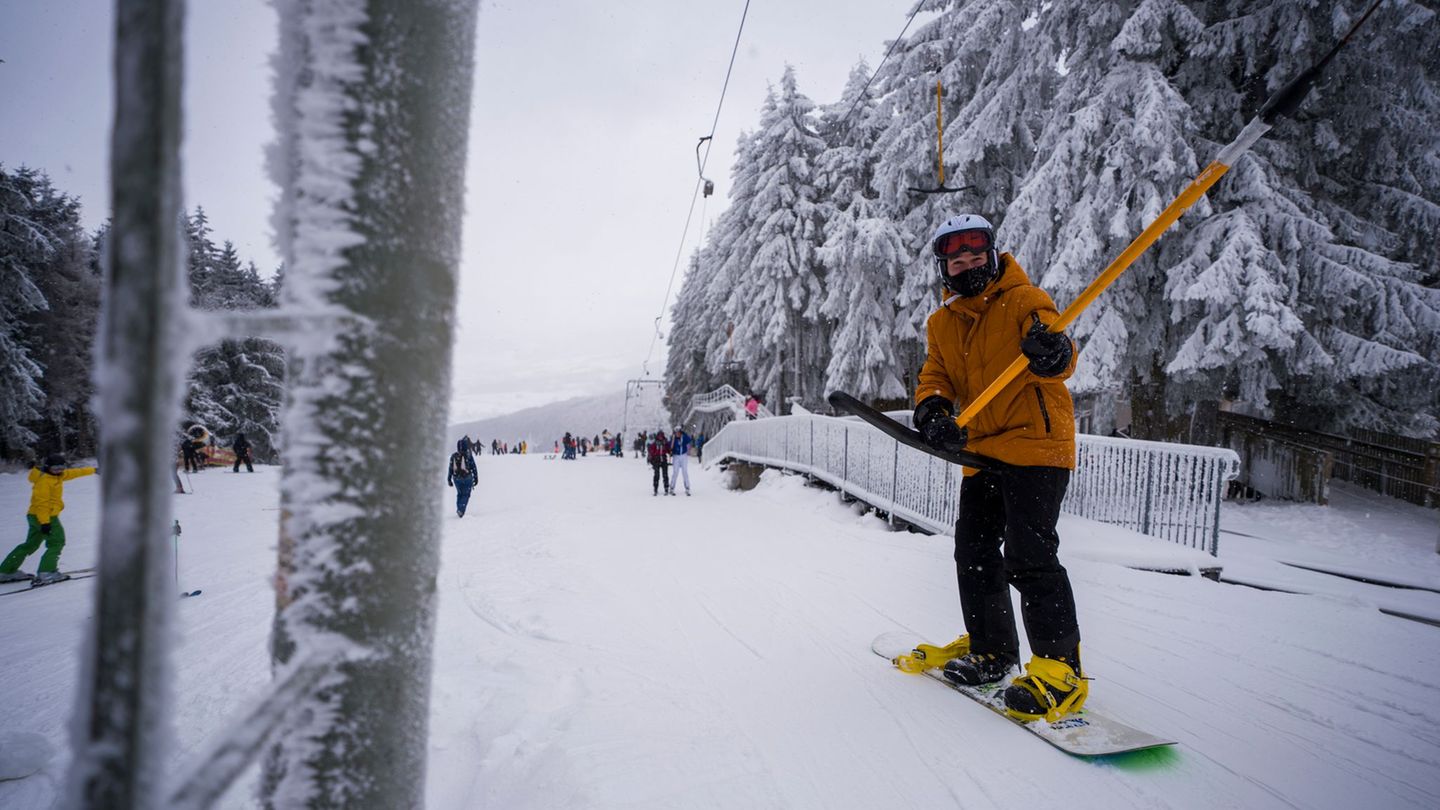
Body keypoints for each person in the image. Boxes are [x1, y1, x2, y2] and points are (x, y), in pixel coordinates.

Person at [910, 212, 1084, 723]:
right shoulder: (942, 322)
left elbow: (1060, 353)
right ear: (944, 268)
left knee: (1030, 556)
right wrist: (934, 411)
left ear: (991, 255)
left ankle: (1060, 671)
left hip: (1035, 445)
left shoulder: (1024, 299)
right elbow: (936, 376)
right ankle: (992, 650)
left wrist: (1052, 353)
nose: (967, 266)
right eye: (956, 261)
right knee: (975, 553)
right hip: (982, 452)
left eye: (975, 256)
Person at [0, 455, 99, 585]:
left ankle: (6, 571)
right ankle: (46, 572)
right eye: (55, 468)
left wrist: (93, 470)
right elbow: (41, 504)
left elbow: (74, 473)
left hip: (34, 516)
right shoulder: (44, 481)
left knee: (30, 545)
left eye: (61, 467)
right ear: (47, 467)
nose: (59, 470)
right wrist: (45, 522)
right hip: (45, 516)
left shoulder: (57, 476)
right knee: (56, 542)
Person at [447, 439, 477, 517]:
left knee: (460, 494)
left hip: (456, 478)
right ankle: (461, 509)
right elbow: (473, 467)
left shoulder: (453, 456)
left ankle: (459, 508)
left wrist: (449, 479)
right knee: (466, 494)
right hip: (467, 478)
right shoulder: (468, 455)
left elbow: (450, 468)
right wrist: (476, 478)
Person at [667, 427, 693, 496]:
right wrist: (670, 450)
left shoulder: (684, 437)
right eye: (676, 433)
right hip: (676, 456)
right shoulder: (673, 439)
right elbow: (669, 446)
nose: (677, 434)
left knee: (685, 472)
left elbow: (689, 440)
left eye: (679, 432)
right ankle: (672, 487)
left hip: (684, 456)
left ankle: (687, 488)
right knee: (675, 472)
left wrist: (684, 433)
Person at [646, 430, 670, 496]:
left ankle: (666, 488)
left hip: (663, 459)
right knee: (656, 475)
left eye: (661, 436)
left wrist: (669, 449)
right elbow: (651, 451)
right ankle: (655, 488)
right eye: (659, 436)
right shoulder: (655, 443)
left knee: (665, 475)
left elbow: (668, 450)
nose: (660, 437)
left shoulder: (665, 442)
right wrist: (651, 459)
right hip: (656, 460)